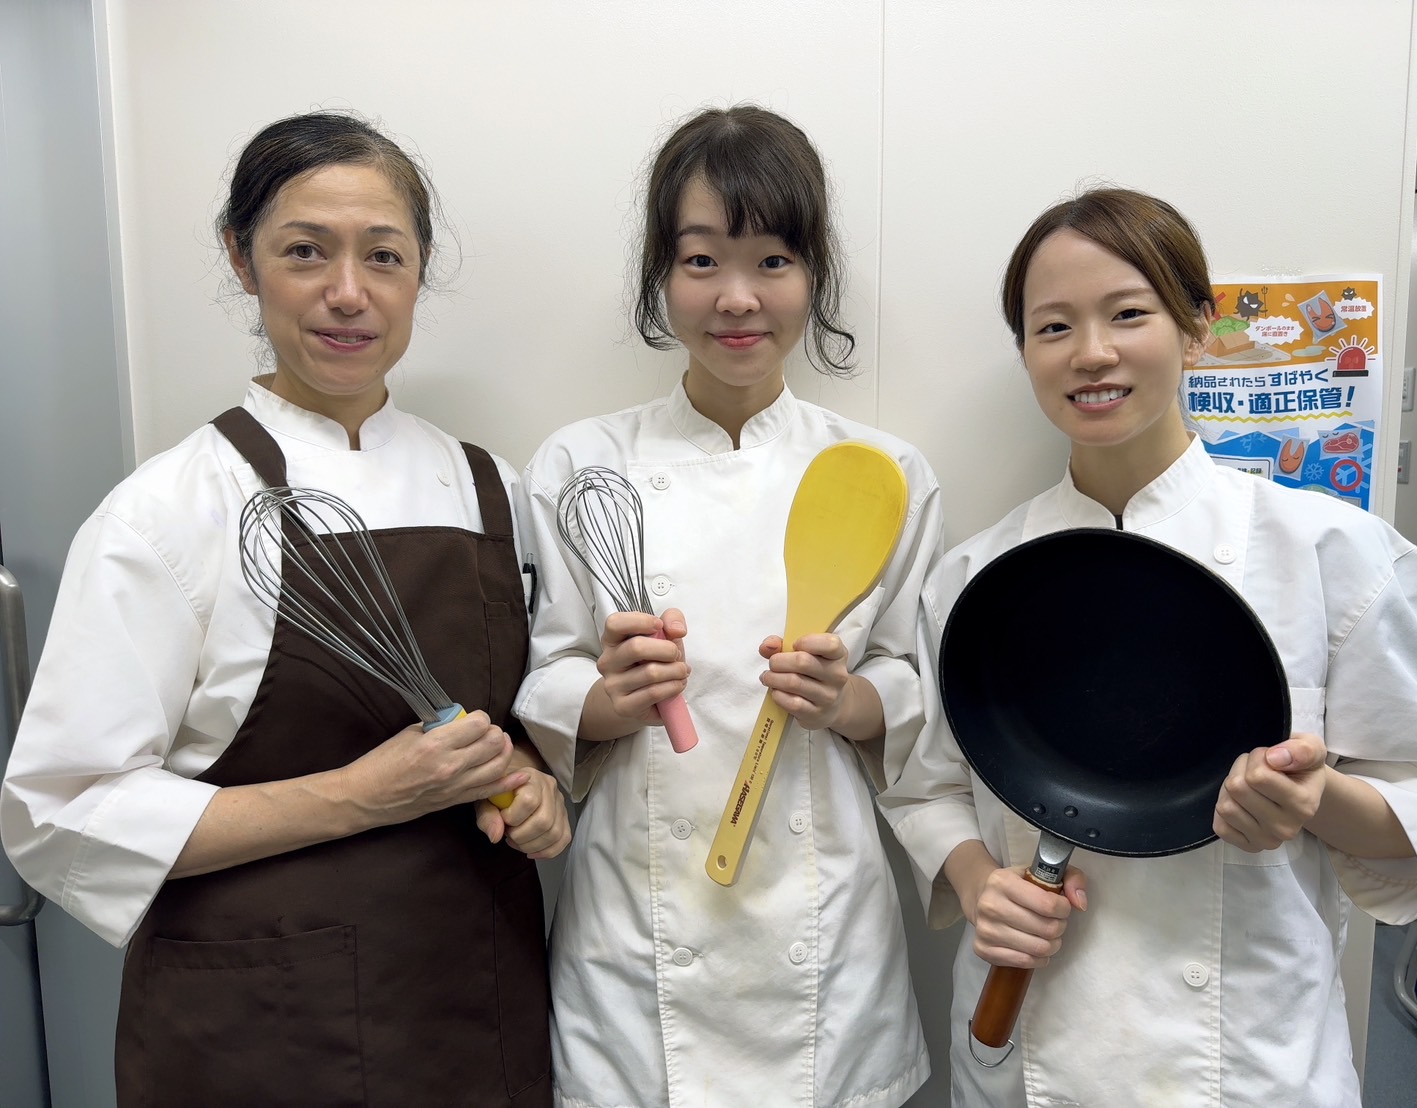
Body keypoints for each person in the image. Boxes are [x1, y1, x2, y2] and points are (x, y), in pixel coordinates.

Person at [0, 111, 568, 1108]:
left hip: (471, 1018)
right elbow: (59, 812)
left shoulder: (493, 491)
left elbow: (516, 725)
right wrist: (361, 792)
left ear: (418, 272)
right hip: (256, 1037)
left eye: (382, 256)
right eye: (305, 251)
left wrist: (532, 785)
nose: (347, 293)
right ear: (243, 257)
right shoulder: (170, 511)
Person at [879, 187, 1417, 1107]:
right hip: (1030, 1038)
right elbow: (930, 784)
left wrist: (1314, 800)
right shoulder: (974, 575)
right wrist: (978, 882)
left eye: (1128, 314)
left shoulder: (1331, 553)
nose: (1090, 353)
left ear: (1196, 328)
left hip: (1245, 1061)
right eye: (1051, 327)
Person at [514, 105, 940, 1107]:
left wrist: (849, 701)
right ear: (661, 277)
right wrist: (609, 697)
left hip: (820, 942)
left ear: (813, 276)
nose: (737, 299)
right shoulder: (583, 466)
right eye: (702, 261)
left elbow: (916, 685)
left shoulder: (883, 473)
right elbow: (546, 673)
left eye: (774, 261)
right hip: (639, 939)